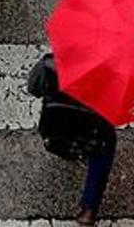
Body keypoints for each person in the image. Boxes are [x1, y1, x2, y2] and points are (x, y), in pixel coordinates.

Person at [27, 53, 117, 226]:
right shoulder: (110, 71)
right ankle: (89, 209)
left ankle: (69, 153)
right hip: (89, 132)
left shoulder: (49, 63)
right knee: (106, 142)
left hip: (54, 131)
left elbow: (34, 89)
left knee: (63, 137)